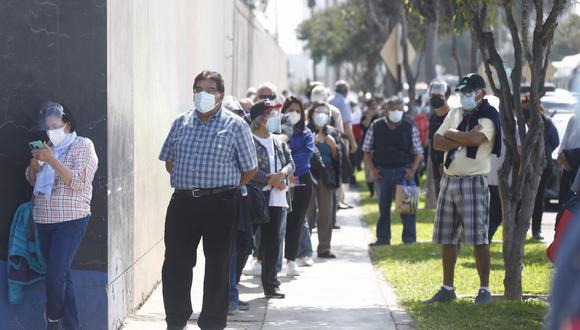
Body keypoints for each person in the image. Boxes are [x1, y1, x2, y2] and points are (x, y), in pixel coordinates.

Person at [158, 70, 258, 330]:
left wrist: (225, 188)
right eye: (199, 89)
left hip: (221, 203)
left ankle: (212, 322)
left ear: (220, 95)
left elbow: (250, 168)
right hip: (183, 202)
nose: (204, 94)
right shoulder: (180, 123)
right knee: (176, 263)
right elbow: (169, 161)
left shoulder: (235, 125)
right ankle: (176, 320)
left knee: (218, 264)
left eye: (210, 89)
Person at [427, 73, 501, 305]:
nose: (463, 96)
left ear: (480, 92)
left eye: (468, 92)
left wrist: (453, 135)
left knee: (479, 238)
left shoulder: (489, 115)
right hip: (449, 180)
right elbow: (437, 142)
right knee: (447, 236)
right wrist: (461, 136)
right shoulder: (455, 113)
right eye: (461, 92)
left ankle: (484, 289)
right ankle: (447, 287)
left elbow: (477, 139)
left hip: (473, 182)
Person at [25, 102, 98, 330]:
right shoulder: (47, 147)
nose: (52, 131)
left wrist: (52, 161)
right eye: (48, 127)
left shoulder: (83, 145)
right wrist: (35, 165)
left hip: (71, 219)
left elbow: (78, 181)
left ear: (67, 124)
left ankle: (53, 318)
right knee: (62, 276)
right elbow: (31, 181)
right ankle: (71, 326)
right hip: (44, 219)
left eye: (56, 126)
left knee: (56, 275)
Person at [248, 100, 295, 299]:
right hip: (256, 197)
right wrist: (270, 179)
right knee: (247, 240)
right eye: (270, 114)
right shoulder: (249, 140)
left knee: (273, 241)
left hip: (277, 198)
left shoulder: (279, 140)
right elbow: (247, 168)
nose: (275, 117)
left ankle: (271, 284)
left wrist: (282, 175)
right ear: (259, 118)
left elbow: (290, 163)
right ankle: (231, 286)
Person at [364, 97, 422, 246]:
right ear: (386, 110)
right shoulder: (376, 126)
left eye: (399, 109)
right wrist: (373, 171)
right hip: (383, 172)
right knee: (383, 209)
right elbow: (366, 150)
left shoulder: (410, 125)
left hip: (404, 172)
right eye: (392, 109)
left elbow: (418, 152)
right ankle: (383, 239)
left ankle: (409, 240)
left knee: (408, 209)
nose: (396, 112)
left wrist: (413, 170)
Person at [281, 96, 315, 276]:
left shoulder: (307, 134)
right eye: (290, 110)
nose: (293, 114)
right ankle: (262, 259)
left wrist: (289, 166)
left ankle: (291, 259)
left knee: (296, 221)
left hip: (301, 179)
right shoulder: (277, 131)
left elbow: (305, 156)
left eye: (297, 110)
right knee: (274, 222)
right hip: (279, 180)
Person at [307, 101, 341, 258]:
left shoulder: (333, 133)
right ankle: (303, 250)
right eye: (317, 111)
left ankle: (324, 248)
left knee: (326, 213)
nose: (321, 115)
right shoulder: (305, 131)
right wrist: (310, 144)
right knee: (307, 212)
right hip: (308, 174)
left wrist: (333, 147)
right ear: (311, 114)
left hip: (326, 176)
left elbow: (338, 159)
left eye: (324, 112)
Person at [524, 104, 559, 240]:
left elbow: (555, 141)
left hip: (541, 167)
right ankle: (526, 228)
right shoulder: (525, 122)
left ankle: (536, 230)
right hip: (527, 166)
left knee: (538, 199)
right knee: (527, 198)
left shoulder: (546, 123)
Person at [427, 80, 451, 198]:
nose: (434, 98)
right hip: (437, 172)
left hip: (452, 173)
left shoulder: (453, 117)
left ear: (446, 96)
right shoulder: (432, 118)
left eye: (439, 95)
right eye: (432, 95)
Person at [556, 110, 580, 207]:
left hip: (576, 169)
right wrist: (564, 163)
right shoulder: (574, 120)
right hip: (569, 171)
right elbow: (562, 148)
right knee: (565, 208)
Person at [361, 99, 381, 197]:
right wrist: (370, 115)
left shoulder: (380, 117)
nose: (374, 107)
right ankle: (372, 192)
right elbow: (365, 125)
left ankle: (379, 191)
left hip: (379, 147)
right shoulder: (365, 116)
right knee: (369, 171)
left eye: (375, 105)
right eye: (372, 106)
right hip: (369, 147)